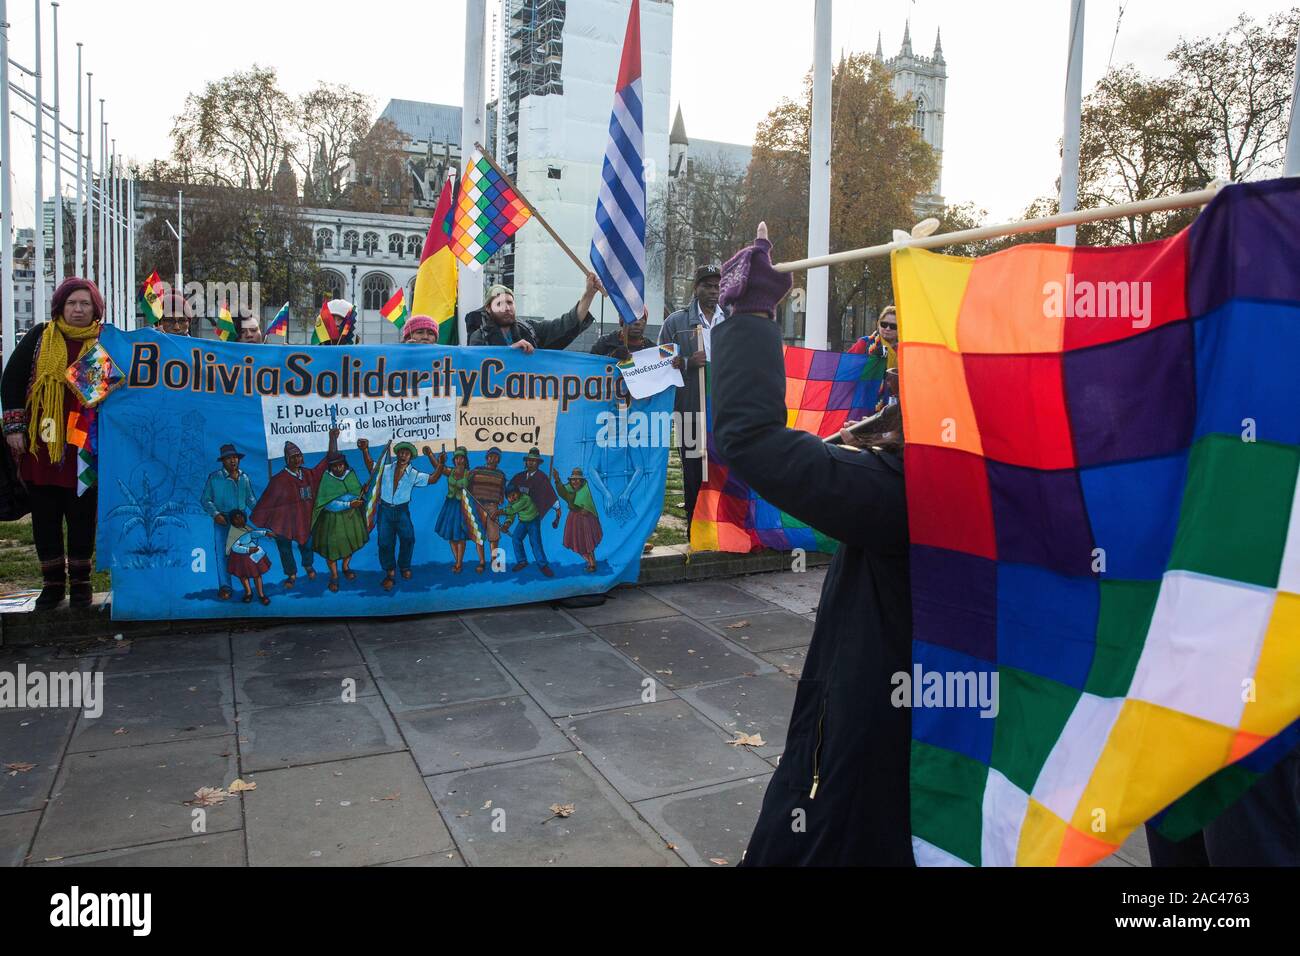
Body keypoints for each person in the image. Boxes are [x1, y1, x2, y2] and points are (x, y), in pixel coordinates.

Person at [710, 223, 913, 866]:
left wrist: (749, 314)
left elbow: (751, 440)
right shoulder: (1011, 466)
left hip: (868, 752)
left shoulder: (902, 493)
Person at [1, 276, 105, 609]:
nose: (78, 309)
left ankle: (81, 584)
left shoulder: (103, 342)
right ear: (60, 307)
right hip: (42, 446)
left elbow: (106, 392)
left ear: (95, 309)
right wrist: (15, 428)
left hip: (84, 448)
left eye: (84, 304)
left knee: (82, 515)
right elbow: (12, 381)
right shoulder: (40, 338)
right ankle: (52, 584)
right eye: (72, 303)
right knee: (45, 515)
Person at [658, 264, 723, 536]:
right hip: (689, 410)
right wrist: (686, 362)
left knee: (723, 469)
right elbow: (660, 360)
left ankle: (721, 526)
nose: (713, 291)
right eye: (707, 285)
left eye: (717, 285)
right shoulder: (676, 322)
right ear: (695, 288)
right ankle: (695, 529)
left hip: (723, 410)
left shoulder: (730, 319)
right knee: (694, 469)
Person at [250, 429, 340, 588]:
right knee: (285, 549)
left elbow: (327, 461)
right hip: (283, 524)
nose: (297, 459)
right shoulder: (278, 480)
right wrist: (266, 526)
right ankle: (291, 574)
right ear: (287, 459)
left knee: (307, 544)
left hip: (303, 521)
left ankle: (308, 565)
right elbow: (266, 503)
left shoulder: (308, 474)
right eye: (293, 457)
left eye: (299, 456)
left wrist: (332, 438)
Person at [357, 438, 438, 590]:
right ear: (397, 454)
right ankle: (390, 573)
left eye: (406, 453)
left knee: (408, 539)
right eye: (401, 452)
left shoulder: (413, 474)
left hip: (402, 511)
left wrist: (438, 463)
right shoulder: (386, 469)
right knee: (384, 542)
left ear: (410, 457)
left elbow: (433, 479)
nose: (403, 455)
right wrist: (365, 450)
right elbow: (371, 468)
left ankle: (405, 567)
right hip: (385, 511)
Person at [467, 274, 603, 352]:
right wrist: (510, 352)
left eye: (509, 302)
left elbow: (566, 324)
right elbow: (477, 367)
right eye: (499, 304)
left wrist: (589, 293)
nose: (506, 308)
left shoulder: (530, 329)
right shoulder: (479, 337)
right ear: (489, 309)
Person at [200, 443, 259, 601]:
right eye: (228, 458)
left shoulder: (244, 477)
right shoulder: (215, 478)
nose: (233, 461)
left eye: (234, 457)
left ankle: (248, 588)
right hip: (223, 520)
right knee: (223, 554)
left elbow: (250, 499)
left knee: (246, 552)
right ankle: (225, 586)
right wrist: (216, 514)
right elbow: (205, 500)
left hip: (241, 519)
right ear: (223, 461)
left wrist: (261, 512)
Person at [310, 449, 368, 591]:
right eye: (335, 466)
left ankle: (345, 567)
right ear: (331, 467)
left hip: (351, 519)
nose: (338, 468)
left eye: (341, 465)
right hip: (332, 520)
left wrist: (362, 492)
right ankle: (334, 575)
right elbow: (327, 503)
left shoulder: (351, 474)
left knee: (349, 544)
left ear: (344, 465)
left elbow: (356, 492)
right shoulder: (327, 479)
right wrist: (349, 504)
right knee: (332, 550)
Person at [430, 447, 482, 573]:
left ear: (465, 460)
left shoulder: (469, 473)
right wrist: (430, 455)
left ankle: (459, 562)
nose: (459, 460)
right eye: (457, 458)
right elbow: (438, 467)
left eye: (461, 458)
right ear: (454, 460)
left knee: (460, 536)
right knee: (452, 537)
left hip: (463, 506)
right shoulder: (450, 472)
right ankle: (457, 560)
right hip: (450, 506)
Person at [551, 466, 603, 572]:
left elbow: (586, 505)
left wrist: (583, 509)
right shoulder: (570, 489)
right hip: (574, 518)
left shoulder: (584, 490)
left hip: (586, 519)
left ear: (582, 480)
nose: (575, 481)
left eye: (577, 479)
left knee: (587, 542)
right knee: (577, 542)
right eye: (573, 479)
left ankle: (592, 563)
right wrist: (557, 479)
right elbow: (563, 492)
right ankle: (590, 562)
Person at [467, 447, 508, 573]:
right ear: (487, 458)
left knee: (494, 536)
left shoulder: (501, 475)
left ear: (498, 460)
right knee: (479, 535)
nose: (493, 458)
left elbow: (502, 492)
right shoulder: (476, 471)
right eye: (491, 456)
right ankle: (482, 562)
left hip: (492, 506)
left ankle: (495, 562)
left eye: (496, 457)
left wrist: (500, 500)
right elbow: (467, 486)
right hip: (477, 505)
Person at [499, 484, 553, 577]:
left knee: (535, 543)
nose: (512, 498)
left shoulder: (525, 499)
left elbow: (512, 510)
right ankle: (522, 561)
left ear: (518, 492)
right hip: (523, 522)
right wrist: (506, 524)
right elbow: (511, 514)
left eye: (514, 494)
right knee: (516, 538)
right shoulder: (511, 503)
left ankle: (543, 565)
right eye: (509, 497)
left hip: (533, 521)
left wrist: (497, 513)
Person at [224, 510, 275, 605]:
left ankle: (261, 595)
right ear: (232, 520)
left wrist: (265, 533)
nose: (239, 519)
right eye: (236, 518)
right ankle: (248, 593)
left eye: (241, 517)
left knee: (257, 575)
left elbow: (253, 534)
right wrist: (248, 550)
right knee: (243, 576)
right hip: (240, 558)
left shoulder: (246, 528)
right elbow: (235, 547)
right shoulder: (233, 533)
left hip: (252, 556)